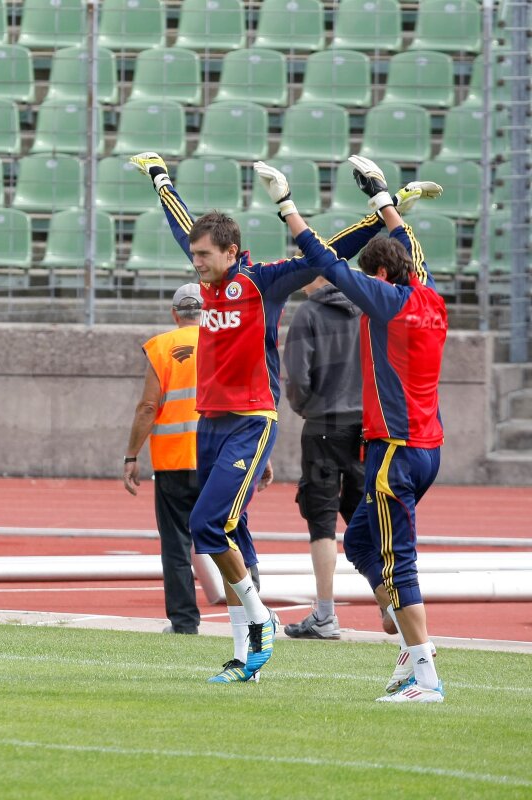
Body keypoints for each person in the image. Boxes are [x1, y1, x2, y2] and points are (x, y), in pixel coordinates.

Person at [127, 152, 438, 684]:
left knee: (207, 525)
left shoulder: (262, 283)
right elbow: (181, 223)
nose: (195, 262)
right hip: (211, 421)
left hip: (252, 418)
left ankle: (261, 618)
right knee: (233, 532)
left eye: (204, 255)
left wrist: (383, 210)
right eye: (195, 255)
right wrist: (159, 177)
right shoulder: (206, 276)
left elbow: (329, 254)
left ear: (230, 251)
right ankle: (245, 648)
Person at [264, 154, 448, 703]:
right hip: (425, 444)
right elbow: (410, 245)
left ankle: (425, 675)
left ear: (383, 275)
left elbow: (325, 258)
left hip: (396, 448)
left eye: (372, 274)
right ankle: (406, 634)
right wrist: (383, 200)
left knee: (398, 561)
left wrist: (286, 206)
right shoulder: (429, 294)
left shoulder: (389, 301)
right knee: (362, 541)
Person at [282, 275, 365, 640]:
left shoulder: (310, 312)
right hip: (365, 425)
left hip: (323, 423)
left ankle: (326, 614)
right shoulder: (367, 307)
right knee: (364, 513)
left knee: (321, 518)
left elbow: (297, 377)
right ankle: (393, 602)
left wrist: (306, 408)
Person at [123, 284, 204, 636]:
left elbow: (148, 407)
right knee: (229, 537)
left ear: (175, 314)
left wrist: (131, 455)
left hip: (173, 461)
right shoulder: (226, 342)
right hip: (218, 458)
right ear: (207, 310)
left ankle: (184, 621)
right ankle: (250, 612)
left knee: (176, 544)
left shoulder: (160, 347)